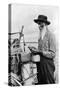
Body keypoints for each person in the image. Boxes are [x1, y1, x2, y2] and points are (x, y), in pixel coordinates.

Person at [32, 15, 56, 84]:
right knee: (41, 83)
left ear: (45, 24)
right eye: (38, 24)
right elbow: (40, 50)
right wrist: (34, 50)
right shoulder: (40, 37)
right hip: (40, 64)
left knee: (49, 83)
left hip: (48, 65)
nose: (39, 26)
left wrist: (39, 51)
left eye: (41, 24)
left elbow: (53, 54)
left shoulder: (51, 35)